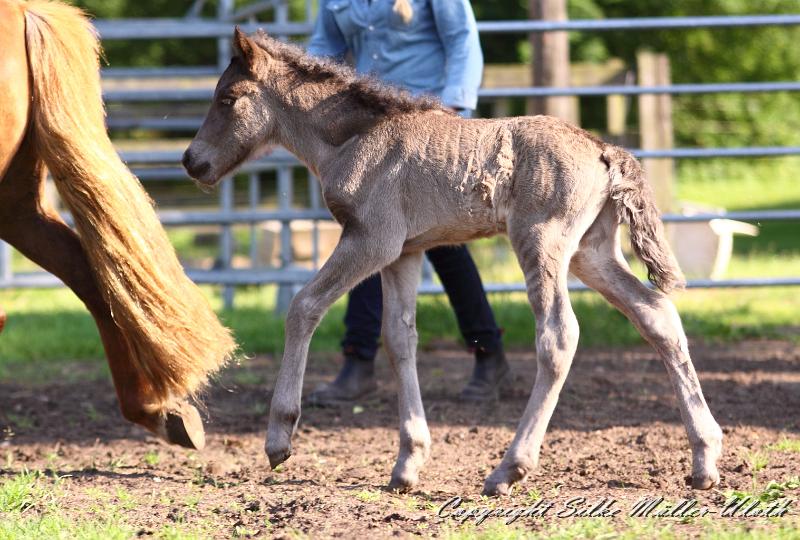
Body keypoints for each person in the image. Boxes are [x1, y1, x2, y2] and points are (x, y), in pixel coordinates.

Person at [306, 0, 509, 404]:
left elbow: (462, 39)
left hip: (432, 134)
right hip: (372, 131)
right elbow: (322, 50)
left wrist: (455, 111)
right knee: (370, 237)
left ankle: (362, 362)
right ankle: (485, 356)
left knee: (419, 245)